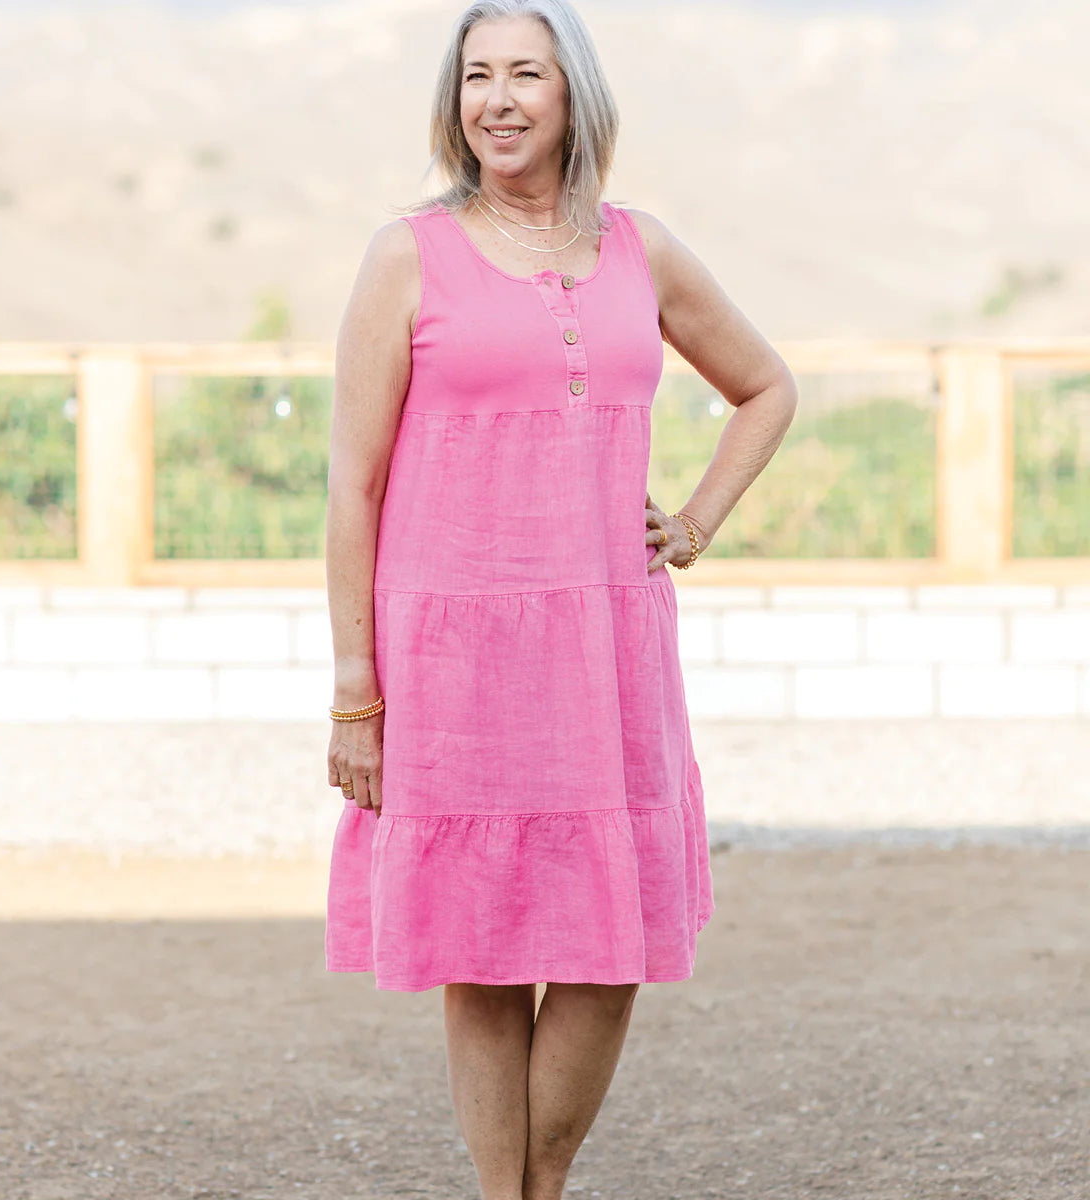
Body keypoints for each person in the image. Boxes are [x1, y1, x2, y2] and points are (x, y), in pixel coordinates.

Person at [322, 1, 797, 1196]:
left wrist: (690, 524)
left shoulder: (642, 248)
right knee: (477, 950)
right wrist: (353, 693)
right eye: (476, 76)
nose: (498, 100)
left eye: (525, 74)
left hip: (607, 649)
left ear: (572, 93)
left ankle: (543, 1184)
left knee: (609, 941)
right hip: (452, 656)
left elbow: (766, 388)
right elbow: (355, 483)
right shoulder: (407, 254)